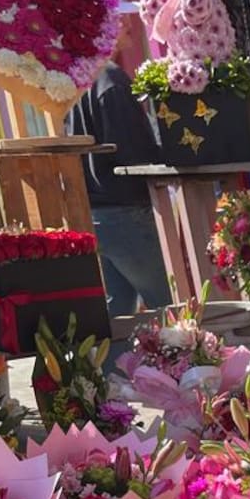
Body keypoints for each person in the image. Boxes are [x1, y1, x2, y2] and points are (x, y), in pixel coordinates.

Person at [65, 57, 174, 318]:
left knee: (117, 317)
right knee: (169, 306)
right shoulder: (112, 81)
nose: (124, 25)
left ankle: (111, 361)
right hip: (125, 210)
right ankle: (190, 358)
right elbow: (134, 153)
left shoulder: (78, 82)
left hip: (95, 213)